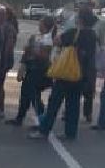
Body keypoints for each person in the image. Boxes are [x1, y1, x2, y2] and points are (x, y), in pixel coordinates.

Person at [29, 10, 98, 140]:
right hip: (80, 74)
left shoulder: (74, 33)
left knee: (54, 103)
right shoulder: (92, 35)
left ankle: (44, 130)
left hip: (66, 73)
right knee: (73, 104)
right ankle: (70, 133)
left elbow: (56, 41)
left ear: (81, 20)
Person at [7, 15, 55, 127]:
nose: (39, 25)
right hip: (32, 68)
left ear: (45, 25)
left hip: (40, 70)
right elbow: (27, 53)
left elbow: (44, 56)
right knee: (25, 94)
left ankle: (42, 120)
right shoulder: (37, 37)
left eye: (41, 23)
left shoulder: (47, 39)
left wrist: (32, 50)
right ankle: (20, 117)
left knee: (34, 96)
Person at [0, 6, 19, 118]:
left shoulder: (8, 28)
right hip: (4, 59)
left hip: (3, 59)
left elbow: (8, 46)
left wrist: (2, 61)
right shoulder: (9, 27)